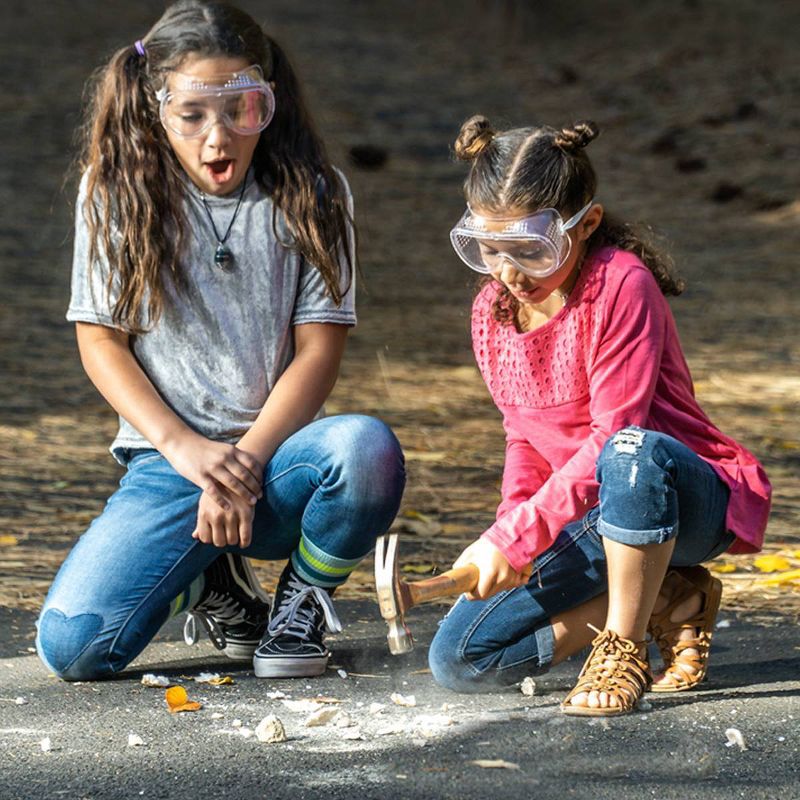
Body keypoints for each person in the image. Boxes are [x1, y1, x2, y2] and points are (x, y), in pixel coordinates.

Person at [36, 0, 405, 682]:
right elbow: (101, 344)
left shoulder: (316, 193)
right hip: (170, 465)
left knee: (365, 450)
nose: (219, 139)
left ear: (269, 100)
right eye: (193, 115)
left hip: (281, 459)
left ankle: (302, 604)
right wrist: (190, 453)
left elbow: (318, 352)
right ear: (155, 108)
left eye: (242, 109)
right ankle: (213, 583)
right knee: (74, 646)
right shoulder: (114, 193)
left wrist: (245, 464)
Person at [428, 116, 771, 715]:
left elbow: (617, 431)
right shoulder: (492, 309)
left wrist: (520, 536)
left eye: (530, 249)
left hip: (676, 495)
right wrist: (513, 533)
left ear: (584, 225)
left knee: (628, 451)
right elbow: (525, 438)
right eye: (488, 249)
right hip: (585, 514)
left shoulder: (620, 284)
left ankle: (624, 643)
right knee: (459, 661)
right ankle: (662, 594)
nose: (509, 272)